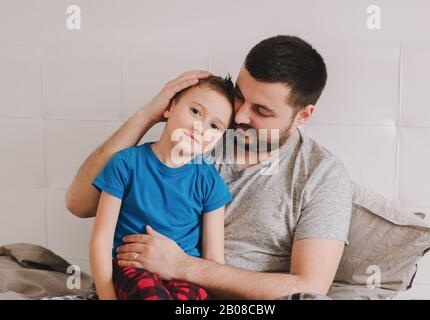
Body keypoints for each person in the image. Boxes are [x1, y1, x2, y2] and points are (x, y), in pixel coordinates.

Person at [66, 35, 353, 300]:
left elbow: (310, 287)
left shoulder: (320, 175)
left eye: (261, 110)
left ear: (304, 114)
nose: (238, 116)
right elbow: (79, 204)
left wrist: (183, 266)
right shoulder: (201, 137)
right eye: (240, 96)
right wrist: (149, 115)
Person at [89, 76, 234, 300]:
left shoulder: (210, 181)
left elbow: (214, 261)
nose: (201, 128)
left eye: (214, 126)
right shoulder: (126, 164)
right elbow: (101, 241)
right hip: (132, 269)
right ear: (169, 108)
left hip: (185, 276)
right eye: (196, 112)